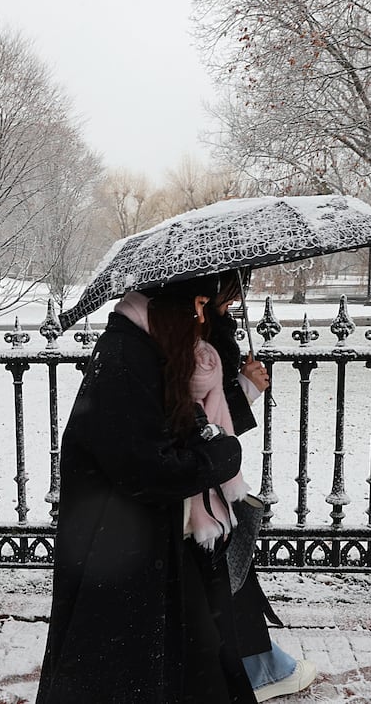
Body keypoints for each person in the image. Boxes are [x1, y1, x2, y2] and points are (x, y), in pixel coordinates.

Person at [36, 274, 257, 704]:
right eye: (197, 303)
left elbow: (166, 431)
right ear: (171, 305)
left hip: (145, 545)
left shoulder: (148, 351)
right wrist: (219, 457)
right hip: (119, 552)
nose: (202, 315)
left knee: (201, 659)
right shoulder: (124, 358)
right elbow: (147, 468)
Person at [204, 273, 319, 702]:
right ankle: (259, 668)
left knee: (226, 572)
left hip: (207, 476)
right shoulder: (203, 337)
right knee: (228, 573)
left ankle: (257, 663)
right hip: (207, 479)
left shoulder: (211, 328)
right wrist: (248, 387)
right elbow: (207, 421)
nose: (237, 299)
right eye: (232, 292)